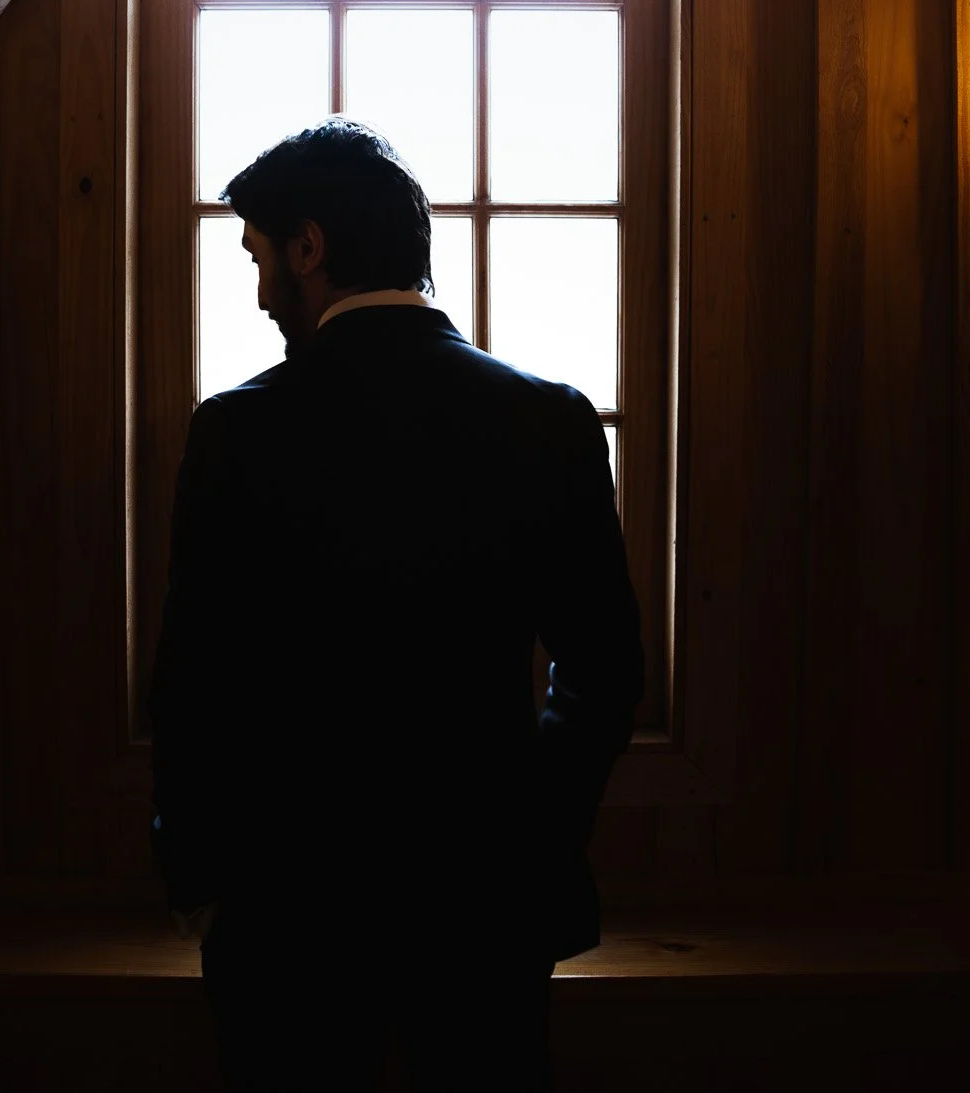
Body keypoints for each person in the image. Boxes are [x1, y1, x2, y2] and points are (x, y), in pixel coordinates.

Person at [148, 119, 643, 1090]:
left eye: (257, 257)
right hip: (484, 899)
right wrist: (527, 828)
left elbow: (191, 678)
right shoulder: (548, 419)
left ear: (308, 248)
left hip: (284, 901)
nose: (257, 295)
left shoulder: (238, 432)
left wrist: (198, 874)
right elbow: (605, 668)